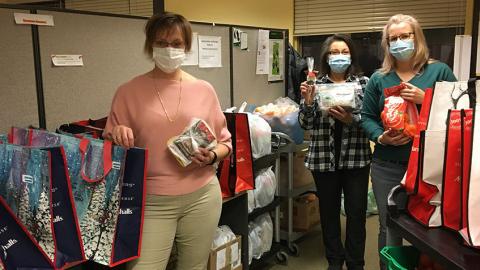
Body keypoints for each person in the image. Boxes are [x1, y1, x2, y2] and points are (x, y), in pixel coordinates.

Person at [103, 12, 232, 270]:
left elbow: (225, 143)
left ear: (186, 47)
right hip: (151, 200)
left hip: (203, 195)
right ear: (150, 45)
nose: (169, 49)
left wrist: (212, 155)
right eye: (161, 43)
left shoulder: (204, 89)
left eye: (176, 43)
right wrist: (118, 134)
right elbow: (110, 146)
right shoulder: (128, 91)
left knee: (193, 267)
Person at [360, 14, 456, 269]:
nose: (399, 42)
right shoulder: (379, 79)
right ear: (387, 45)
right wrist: (380, 137)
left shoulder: (439, 71)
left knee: (427, 229)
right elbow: (366, 117)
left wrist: (426, 99)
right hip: (386, 166)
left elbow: (459, 113)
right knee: (388, 226)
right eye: (393, 39)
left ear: (417, 38)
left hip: (429, 168)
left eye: (405, 36)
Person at [299, 34, 372, 270]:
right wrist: (308, 103)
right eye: (334, 52)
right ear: (326, 57)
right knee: (328, 214)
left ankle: (355, 263)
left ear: (351, 55)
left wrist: (352, 119)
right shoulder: (314, 84)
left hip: (356, 159)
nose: (339, 57)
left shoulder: (364, 83)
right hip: (323, 160)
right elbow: (305, 124)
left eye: (344, 52)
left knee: (356, 214)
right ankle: (334, 260)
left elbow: (371, 120)